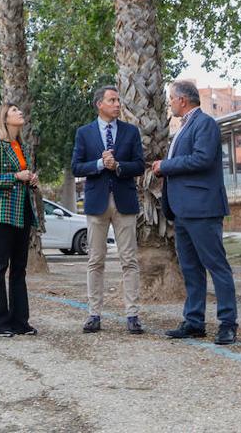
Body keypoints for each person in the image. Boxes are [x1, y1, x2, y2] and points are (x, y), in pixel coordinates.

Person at [152, 80, 238, 345]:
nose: (170, 104)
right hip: (182, 210)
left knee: (216, 265)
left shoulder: (205, 124)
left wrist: (165, 166)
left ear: (183, 100)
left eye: (171, 99)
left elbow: (201, 159)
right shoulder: (184, 126)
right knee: (190, 268)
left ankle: (227, 323)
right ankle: (194, 321)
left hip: (202, 208)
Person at [72, 85, 147, 334]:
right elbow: (77, 167)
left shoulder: (130, 132)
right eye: (112, 100)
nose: (117, 104)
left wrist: (117, 166)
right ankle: (94, 314)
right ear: (99, 104)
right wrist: (98, 164)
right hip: (96, 203)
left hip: (124, 202)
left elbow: (139, 165)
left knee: (129, 260)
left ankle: (132, 315)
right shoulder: (84, 133)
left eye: (118, 100)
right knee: (95, 260)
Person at [0, 102, 41, 338]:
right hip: (2, 211)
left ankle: (19, 322)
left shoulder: (19, 146)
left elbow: (21, 177)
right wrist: (16, 176)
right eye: (14, 111)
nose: (19, 112)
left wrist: (31, 179)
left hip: (22, 210)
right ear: (4, 118)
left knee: (19, 268)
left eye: (19, 109)